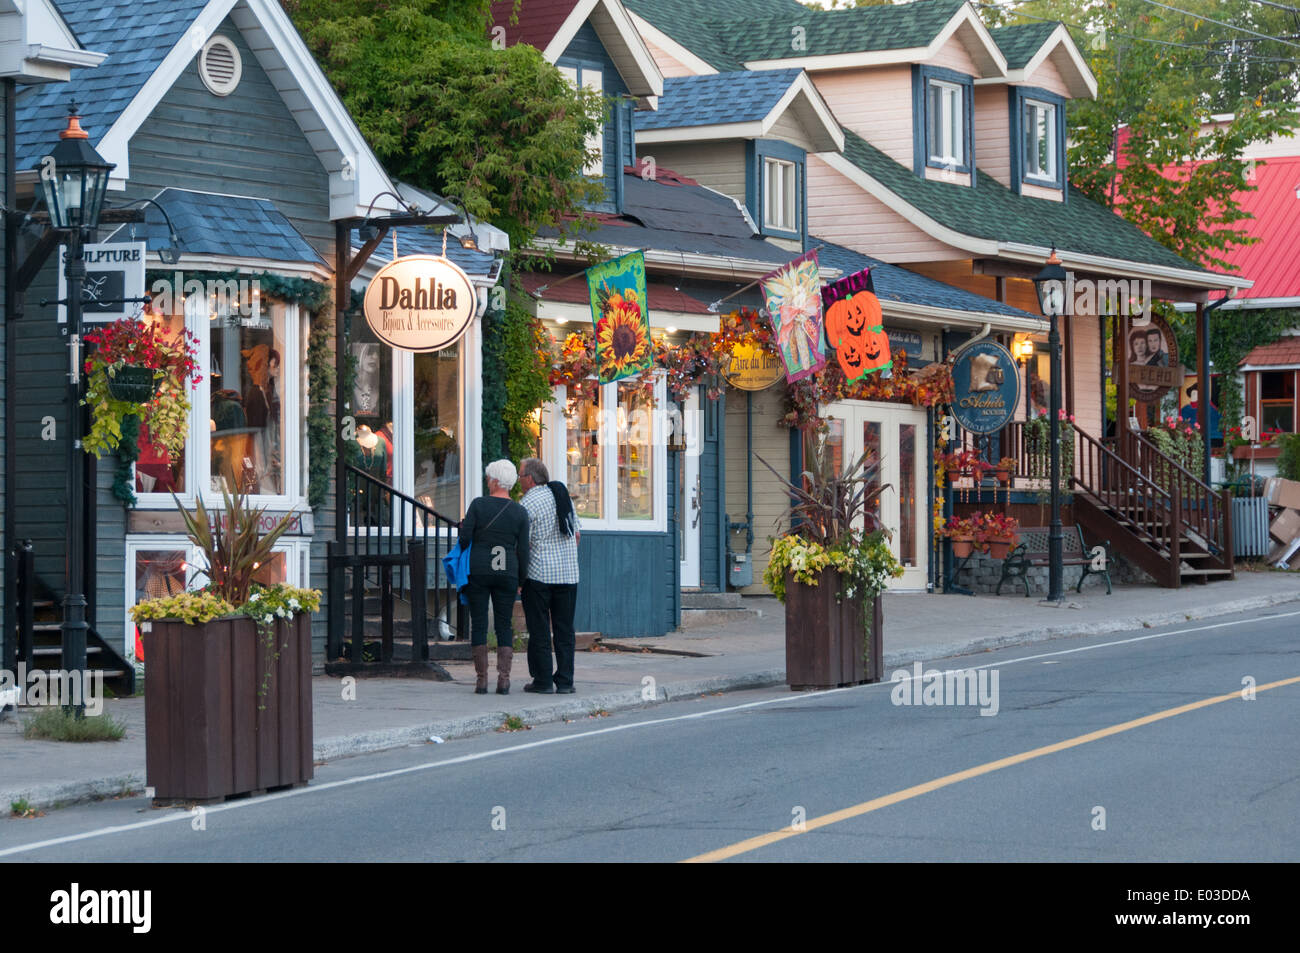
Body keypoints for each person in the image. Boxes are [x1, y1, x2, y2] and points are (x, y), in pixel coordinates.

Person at [459, 460, 529, 695]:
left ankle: (481, 680)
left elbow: (465, 540)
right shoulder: (520, 512)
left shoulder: (478, 505)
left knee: (478, 622)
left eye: (489, 478)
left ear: (496, 480)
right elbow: (523, 550)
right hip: (507, 571)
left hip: (478, 570)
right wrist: (521, 579)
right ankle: (504, 680)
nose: (487, 481)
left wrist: (464, 530)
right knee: (503, 624)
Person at [517, 458, 581, 694]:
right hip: (568, 573)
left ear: (530, 479)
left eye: (520, 476)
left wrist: (519, 577)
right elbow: (576, 535)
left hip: (540, 574)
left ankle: (543, 680)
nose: (519, 480)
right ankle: (565, 681)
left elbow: (523, 543)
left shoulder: (528, 503)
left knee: (540, 628)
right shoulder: (562, 496)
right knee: (565, 629)